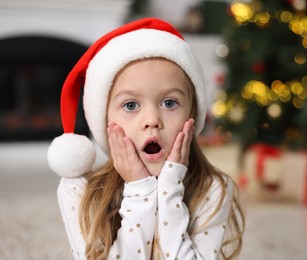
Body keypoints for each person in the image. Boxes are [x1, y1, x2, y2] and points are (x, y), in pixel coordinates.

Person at [48, 17, 245, 260]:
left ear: (192, 115)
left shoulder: (213, 189)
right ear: (104, 120)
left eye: (169, 103)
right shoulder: (78, 190)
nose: (152, 120)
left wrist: (170, 189)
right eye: (131, 105)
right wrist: (140, 190)